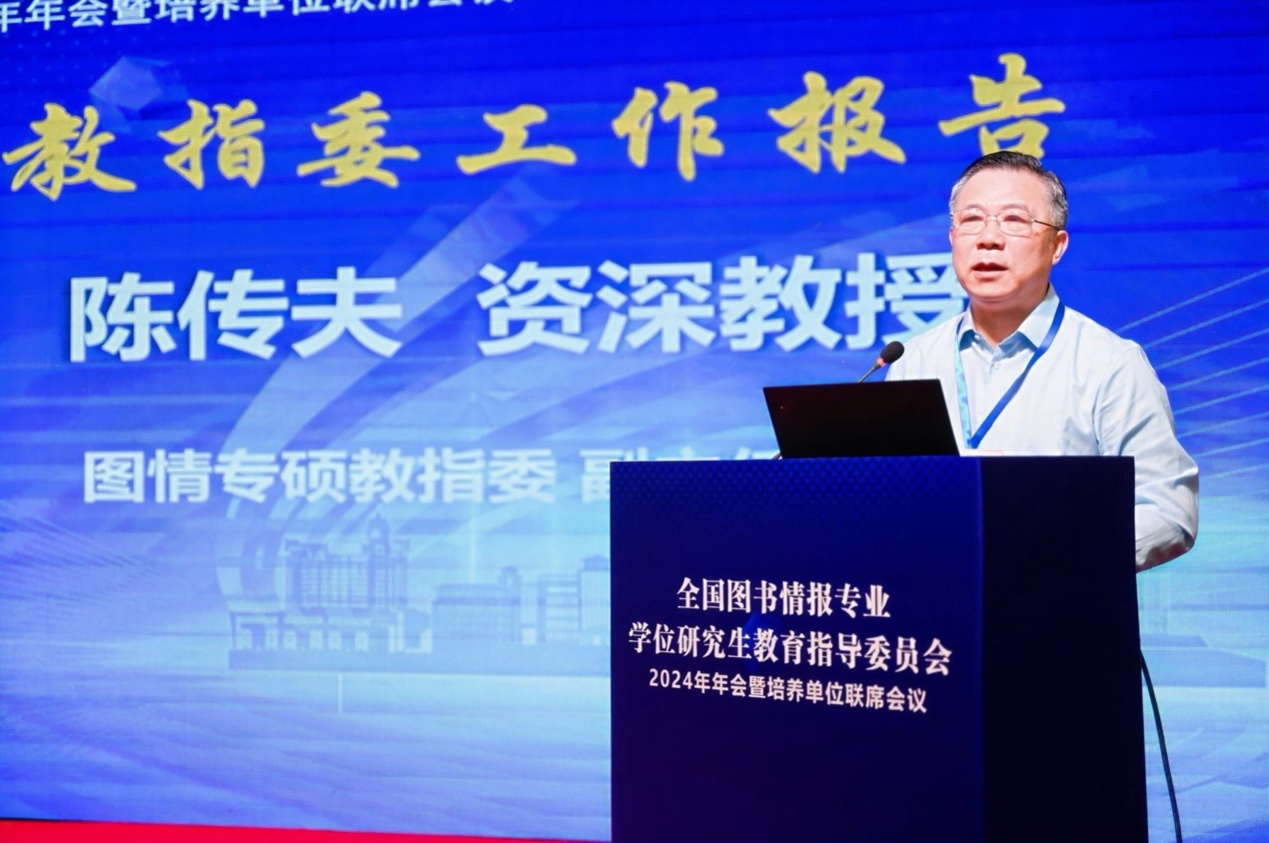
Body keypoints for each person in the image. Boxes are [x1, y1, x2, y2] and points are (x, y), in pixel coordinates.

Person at [886, 151, 1198, 570]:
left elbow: (1169, 511)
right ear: (952, 236)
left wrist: (1051, 556)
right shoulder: (913, 360)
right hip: (938, 604)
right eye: (972, 219)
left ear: (1057, 246)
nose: (989, 238)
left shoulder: (1110, 363)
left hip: (1061, 601)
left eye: (1014, 220)